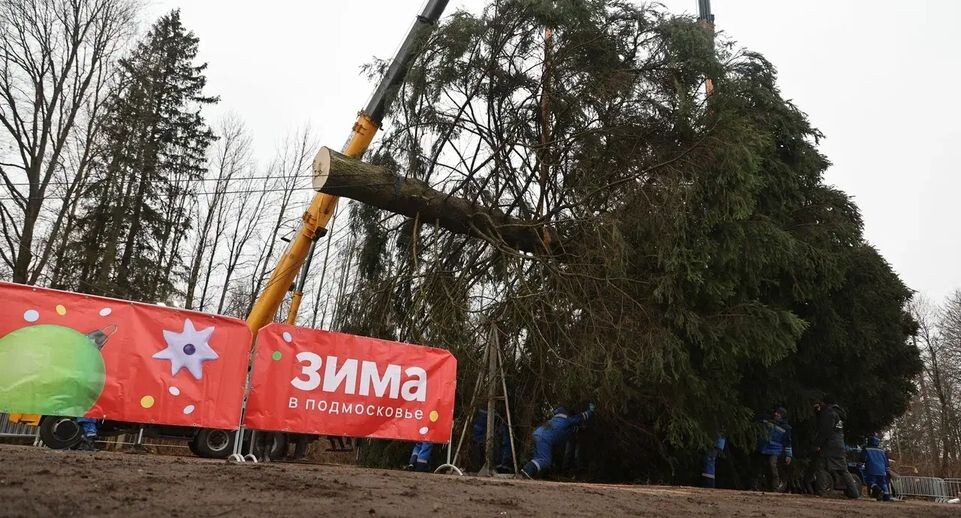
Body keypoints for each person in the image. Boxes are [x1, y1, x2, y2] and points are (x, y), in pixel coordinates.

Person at [521, 403, 594, 479]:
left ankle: (531, 474)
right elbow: (581, 417)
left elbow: (568, 430)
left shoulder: (555, 421)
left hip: (537, 434)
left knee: (538, 457)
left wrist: (580, 428)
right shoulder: (566, 420)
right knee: (544, 460)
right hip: (544, 439)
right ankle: (527, 470)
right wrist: (591, 411)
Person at [809, 397, 859, 498]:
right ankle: (854, 493)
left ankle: (821, 492)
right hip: (839, 445)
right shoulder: (837, 414)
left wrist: (817, 444)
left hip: (829, 445)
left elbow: (825, 431)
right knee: (843, 470)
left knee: (820, 466)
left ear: (823, 403)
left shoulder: (828, 413)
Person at [755, 407, 793, 492]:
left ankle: (776, 487)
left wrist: (789, 455)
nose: (776, 414)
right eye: (776, 412)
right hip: (764, 448)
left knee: (772, 465)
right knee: (761, 467)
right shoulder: (769, 423)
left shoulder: (786, 428)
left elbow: (788, 442)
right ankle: (758, 485)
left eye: (779, 413)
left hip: (776, 450)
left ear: (782, 416)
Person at [471, 409, 515, 473]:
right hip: (494, 409)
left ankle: (499, 466)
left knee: (481, 437)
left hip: (490, 409)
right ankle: (501, 466)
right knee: (497, 438)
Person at [861, 433, 892, 501]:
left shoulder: (866, 449)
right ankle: (887, 497)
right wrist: (887, 471)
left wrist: (860, 466)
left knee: (870, 482)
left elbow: (863, 459)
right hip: (882, 470)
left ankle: (878, 491)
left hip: (871, 469)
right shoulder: (882, 450)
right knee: (883, 483)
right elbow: (886, 462)